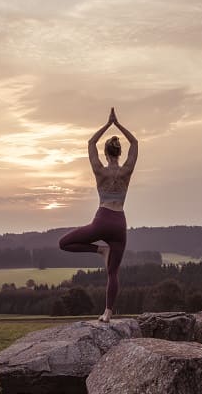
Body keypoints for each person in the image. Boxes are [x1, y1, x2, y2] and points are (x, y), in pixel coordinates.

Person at [58, 107, 138, 322]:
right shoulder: (127, 170)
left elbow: (90, 143)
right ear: (119, 153)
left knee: (64, 243)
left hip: (102, 220)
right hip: (119, 222)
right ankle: (108, 313)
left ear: (106, 153)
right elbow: (135, 144)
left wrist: (107, 124)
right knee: (113, 273)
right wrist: (118, 124)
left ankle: (99, 250)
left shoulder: (100, 170)